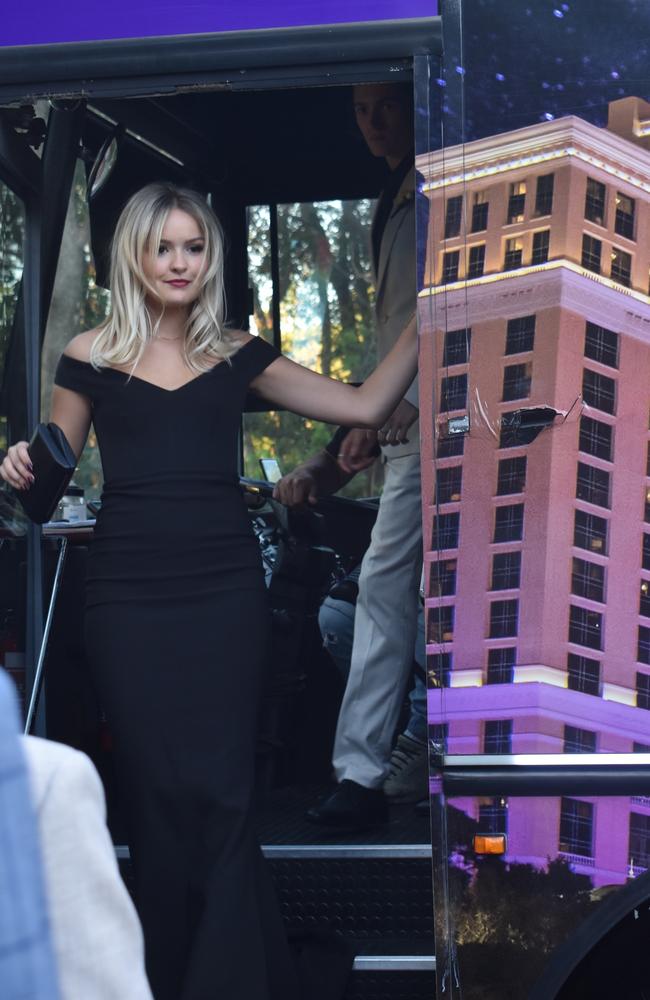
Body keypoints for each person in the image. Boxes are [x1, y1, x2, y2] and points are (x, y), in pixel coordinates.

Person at [0, 182, 417, 1000]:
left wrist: (435, 310)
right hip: (124, 599)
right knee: (156, 801)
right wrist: (20, 466)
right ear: (137, 257)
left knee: (226, 799)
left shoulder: (239, 354)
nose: (181, 262)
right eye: (165, 248)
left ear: (209, 256)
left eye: (194, 247)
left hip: (224, 596)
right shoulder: (88, 355)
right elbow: (43, 495)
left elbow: (368, 403)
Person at [304, 83, 425, 829]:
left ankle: (376, 768)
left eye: (385, 104)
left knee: (398, 591)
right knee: (381, 591)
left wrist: (405, 406)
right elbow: (401, 337)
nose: (371, 122)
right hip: (412, 433)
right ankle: (366, 771)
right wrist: (372, 418)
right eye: (358, 108)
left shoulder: (446, 187)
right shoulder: (395, 197)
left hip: (466, 426)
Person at [273, 439, 429, 804]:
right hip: (411, 500)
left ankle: (423, 739)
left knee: (433, 612)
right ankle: (371, 761)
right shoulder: (391, 401)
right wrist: (308, 474)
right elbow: (342, 454)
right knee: (340, 614)